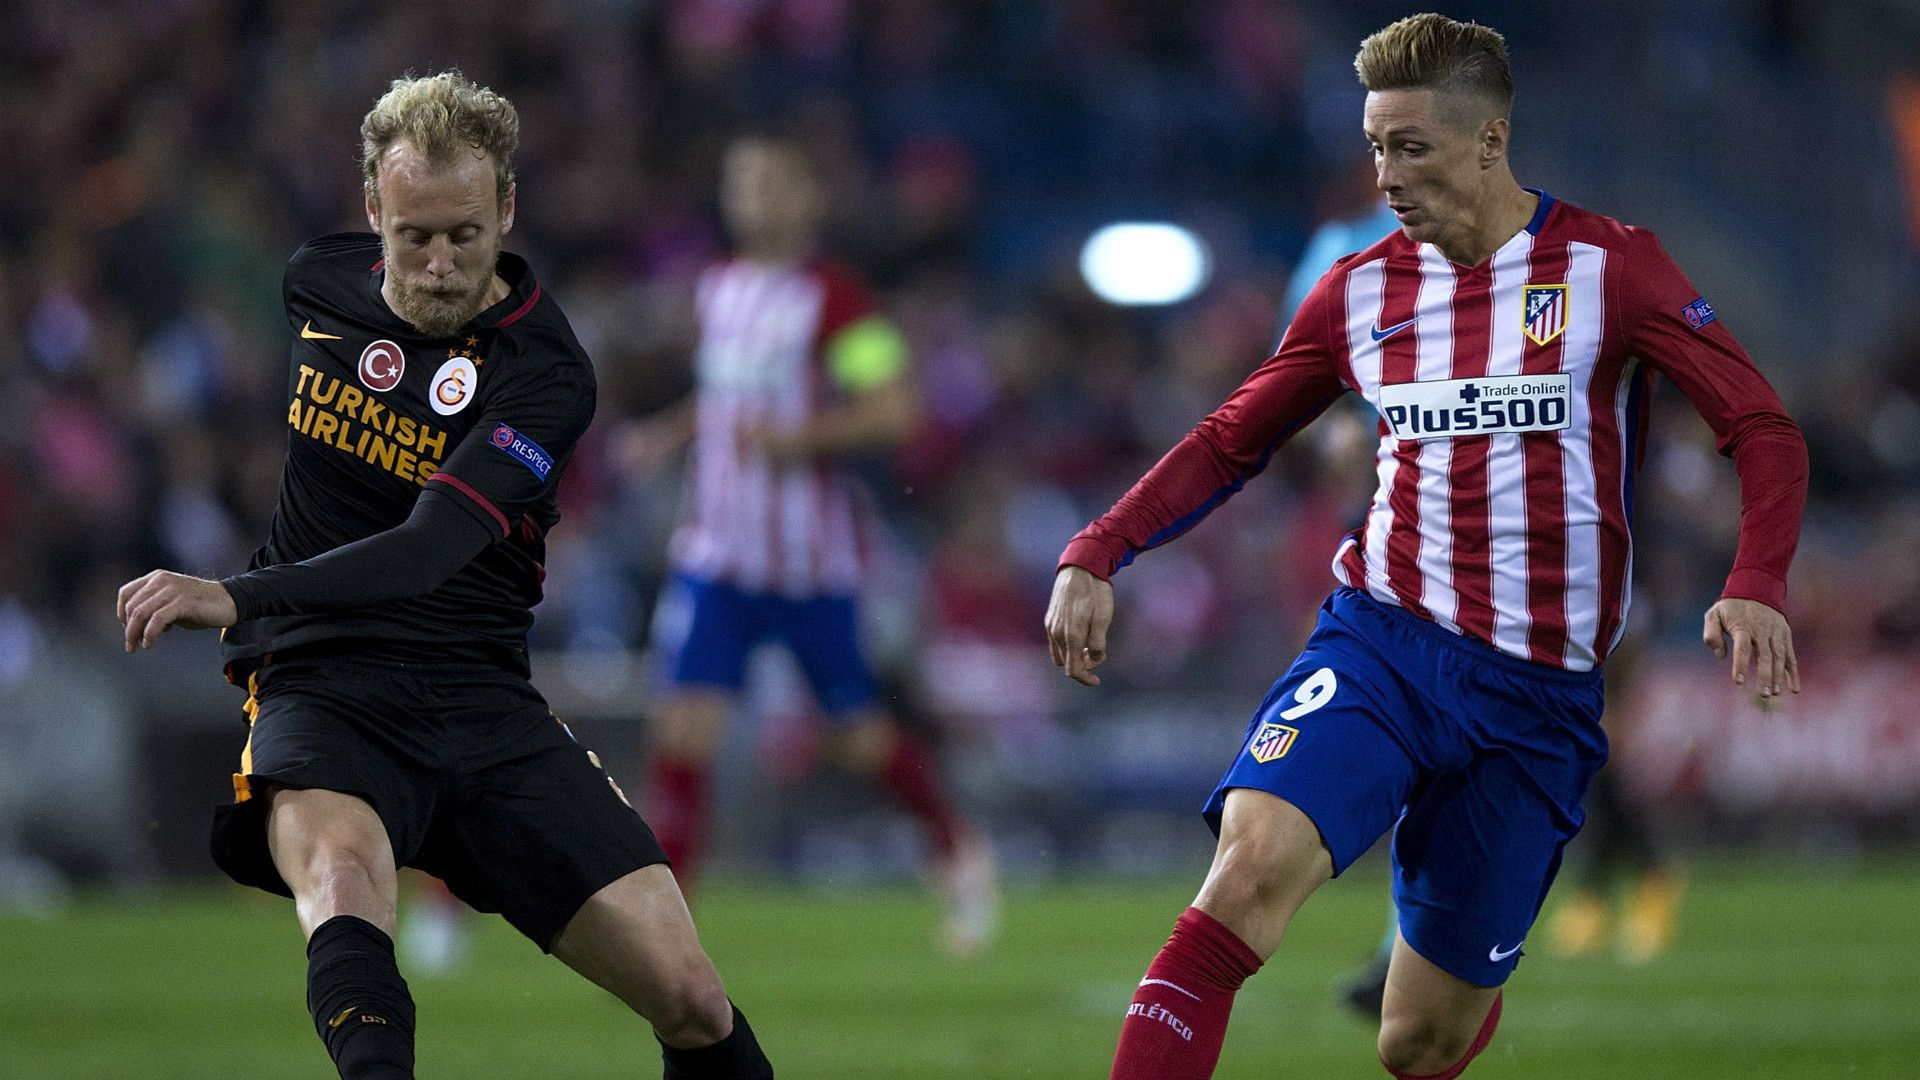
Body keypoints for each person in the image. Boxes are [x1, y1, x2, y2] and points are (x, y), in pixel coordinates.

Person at [1044, 15, 1807, 1080]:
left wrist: (1757, 580)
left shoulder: (1609, 268)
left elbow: (1762, 427)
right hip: (1384, 647)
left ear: (1490, 140)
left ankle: (1454, 969)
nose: (1386, 173)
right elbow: (1231, 442)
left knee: (1418, 1041)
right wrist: (1098, 548)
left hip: (1538, 699)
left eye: (1412, 146)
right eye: (1374, 146)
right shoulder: (1357, 290)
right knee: (1246, 874)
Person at [115, 72, 773, 1080]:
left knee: (690, 999)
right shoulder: (316, 283)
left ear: (507, 210)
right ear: (372, 209)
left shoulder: (546, 375)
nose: (435, 264)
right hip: (321, 678)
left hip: (479, 699)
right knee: (341, 881)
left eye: (464, 236)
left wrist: (232, 593)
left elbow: (428, 549)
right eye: (412, 234)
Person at [632, 132, 999, 954]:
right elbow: (729, 398)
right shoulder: (718, 288)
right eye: (742, 183)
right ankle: (667, 930)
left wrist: (800, 441)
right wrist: (671, 431)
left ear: (808, 199)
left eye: (771, 183)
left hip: (806, 565)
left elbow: (896, 409)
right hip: (718, 556)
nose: (754, 199)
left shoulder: (839, 300)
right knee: (684, 729)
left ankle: (957, 849)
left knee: (860, 737)